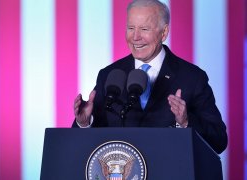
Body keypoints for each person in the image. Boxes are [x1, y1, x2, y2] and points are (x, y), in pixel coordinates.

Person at [72, 0, 227, 154]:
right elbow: (82, 144)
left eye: (144, 29)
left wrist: (186, 122)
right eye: (131, 28)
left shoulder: (192, 77)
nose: (135, 37)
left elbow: (218, 141)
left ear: (164, 32)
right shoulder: (109, 75)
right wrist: (84, 123)